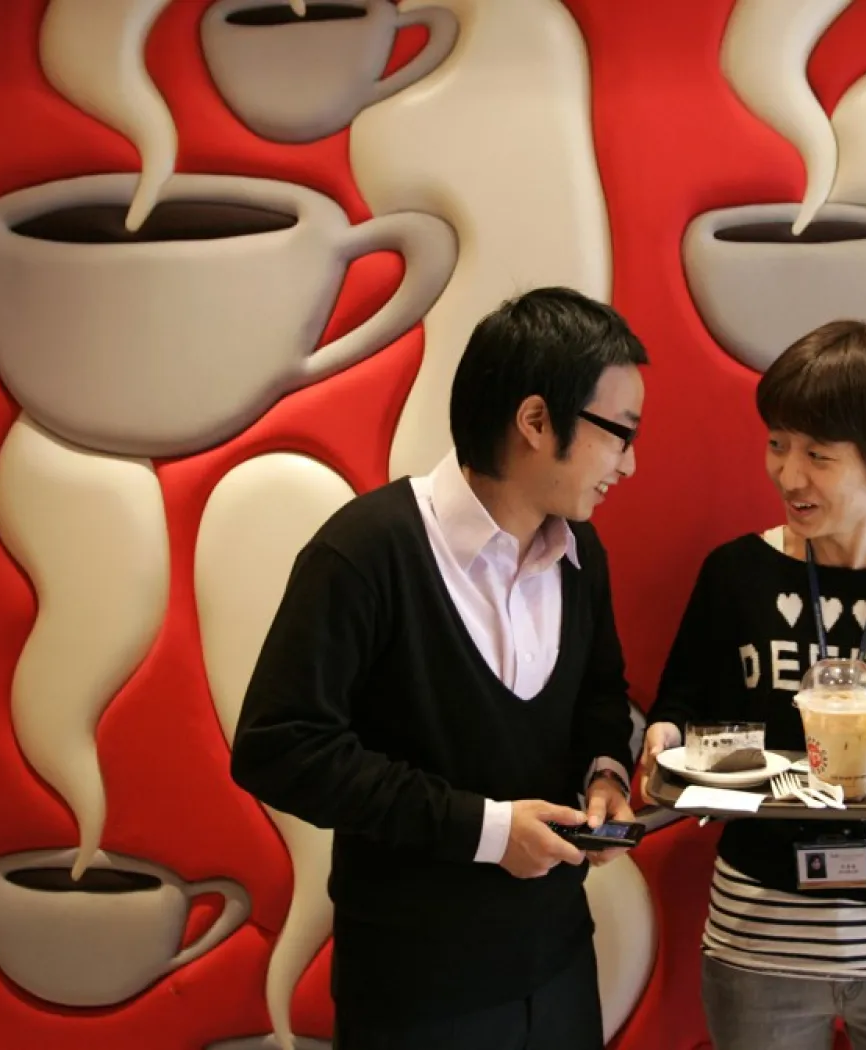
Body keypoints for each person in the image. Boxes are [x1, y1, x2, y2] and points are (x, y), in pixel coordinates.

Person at [231, 287, 648, 1050]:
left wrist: (605, 776)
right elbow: (278, 747)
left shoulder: (582, 555)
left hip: (556, 963)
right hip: (417, 990)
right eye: (618, 433)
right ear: (534, 421)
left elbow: (600, 695)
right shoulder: (365, 553)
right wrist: (488, 831)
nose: (629, 461)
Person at [641, 320, 866, 1050]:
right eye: (778, 444)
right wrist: (662, 738)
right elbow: (681, 706)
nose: (787, 474)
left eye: (818, 454)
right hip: (760, 937)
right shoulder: (735, 574)